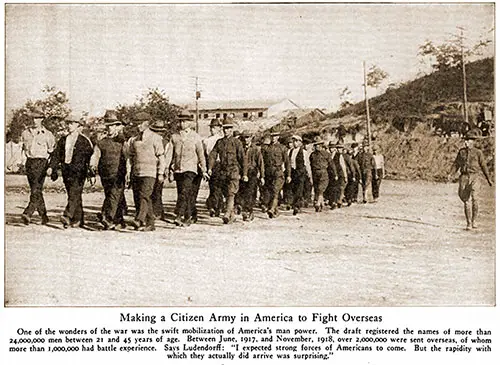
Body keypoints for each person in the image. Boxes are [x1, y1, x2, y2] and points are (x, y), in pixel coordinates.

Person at [50, 114, 94, 228]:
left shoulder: (84, 141)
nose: (69, 126)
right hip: (67, 172)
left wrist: (90, 171)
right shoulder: (63, 140)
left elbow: (90, 157)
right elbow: (56, 155)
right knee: (73, 195)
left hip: (79, 173)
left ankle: (67, 215)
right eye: (68, 123)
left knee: (74, 193)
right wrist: (52, 167)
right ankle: (78, 219)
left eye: (72, 123)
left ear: (77, 125)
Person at [124, 112, 166, 231]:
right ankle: (150, 224)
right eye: (136, 124)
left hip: (150, 173)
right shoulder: (133, 140)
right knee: (140, 198)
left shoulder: (156, 138)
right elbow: (130, 158)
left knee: (145, 195)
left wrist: (161, 173)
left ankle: (139, 219)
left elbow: (161, 157)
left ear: (146, 124)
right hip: (137, 172)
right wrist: (128, 172)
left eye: (140, 124)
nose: (138, 126)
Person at [90, 110, 128, 230]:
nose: (110, 128)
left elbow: (128, 158)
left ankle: (107, 217)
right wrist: (92, 167)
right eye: (108, 126)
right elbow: (95, 155)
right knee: (112, 196)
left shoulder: (123, 142)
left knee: (114, 196)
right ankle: (119, 221)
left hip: (118, 173)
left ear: (117, 127)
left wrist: (128, 171)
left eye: (112, 126)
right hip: (105, 174)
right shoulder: (101, 142)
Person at [448, 129, 493, 230]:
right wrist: (451, 173)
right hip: (464, 177)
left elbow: (483, 166)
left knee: (475, 198)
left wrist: (488, 179)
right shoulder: (461, 152)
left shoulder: (478, 153)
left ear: (473, 141)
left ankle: (474, 221)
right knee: (466, 200)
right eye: (465, 140)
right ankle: (468, 223)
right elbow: (456, 164)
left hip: (475, 177)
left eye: (468, 140)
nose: (466, 142)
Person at [170, 113, 207, 227]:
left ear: (190, 123)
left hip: (191, 169)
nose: (182, 124)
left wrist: (204, 169)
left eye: (185, 121)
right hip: (178, 169)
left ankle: (179, 215)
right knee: (183, 193)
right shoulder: (174, 137)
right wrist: (167, 168)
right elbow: (169, 155)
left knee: (185, 191)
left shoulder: (196, 137)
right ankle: (189, 216)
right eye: (180, 121)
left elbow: (201, 155)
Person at [19, 109, 56, 225]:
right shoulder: (25, 133)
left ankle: (28, 213)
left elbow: (52, 152)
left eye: (38, 118)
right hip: (30, 163)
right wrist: (19, 162)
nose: (35, 121)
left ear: (42, 120)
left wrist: (51, 167)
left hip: (41, 163)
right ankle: (44, 215)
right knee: (36, 189)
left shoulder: (48, 134)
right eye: (34, 118)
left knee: (36, 188)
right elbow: (22, 149)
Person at [208, 118, 247, 224]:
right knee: (227, 194)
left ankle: (226, 213)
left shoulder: (236, 142)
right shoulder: (219, 142)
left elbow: (242, 159)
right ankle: (232, 215)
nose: (226, 131)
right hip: (223, 172)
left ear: (231, 129)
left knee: (231, 193)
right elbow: (213, 155)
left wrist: (244, 174)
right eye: (225, 129)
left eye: (228, 129)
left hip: (234, 171)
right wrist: (210, 168)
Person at [261, 132, 291, 218]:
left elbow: (287, 162)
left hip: (278, 171)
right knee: (270, 191)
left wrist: (288, 175)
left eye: (275, 136)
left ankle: (272, 208)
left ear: (278, 137)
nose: (273, 138)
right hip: (268, 172)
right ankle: (275, 210)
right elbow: (262, 162)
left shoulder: (282, 148)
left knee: (275, 190)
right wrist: (262, 174)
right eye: (272, 136)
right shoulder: (266, 148)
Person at [237, 130, 264, 221]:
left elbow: (261, 163)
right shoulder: (240, 149)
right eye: (244, 137)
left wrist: (262, 176)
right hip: (242, 173)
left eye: (248, 137)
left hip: (252, 172)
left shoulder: (256, 149)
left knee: (251, 192)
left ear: (251, 138)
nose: (246, 140)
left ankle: (249, 211)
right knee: (242, 191)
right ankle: (244, 209)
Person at [203, 118, 223, 217]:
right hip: (211, 165)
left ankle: (216, 206)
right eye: (211, 127)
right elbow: (205, 154)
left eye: (214, 127)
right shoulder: (206, 141)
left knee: (218, 187)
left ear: (219, 128)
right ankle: (214, 206)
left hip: (220, 165)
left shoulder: (222, 139)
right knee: (213, 187)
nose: (212, 129)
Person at [309, 138, 333, 212]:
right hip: (315, 173)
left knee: (321, 188)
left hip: (323, 172)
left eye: (319, 145)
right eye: (316, 145)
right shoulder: (312, 155)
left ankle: (318, 203)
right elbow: (311, 164)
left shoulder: (326, 154)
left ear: (321, 145)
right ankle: (321, 203)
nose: (317, 147)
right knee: (317, 188)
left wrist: (334, 174)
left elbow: (331, 165)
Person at [289, 135, 307, 215]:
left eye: (296, 141)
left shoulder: (304, 152)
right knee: (293, 189)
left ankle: (297, 206)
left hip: (301, 173)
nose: (295, 143)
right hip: (293, 173)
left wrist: (308, 173)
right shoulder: (290, 151)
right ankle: (295, 203)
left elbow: (306, 164)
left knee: (299, 189)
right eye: (294, 141)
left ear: (300, 142)